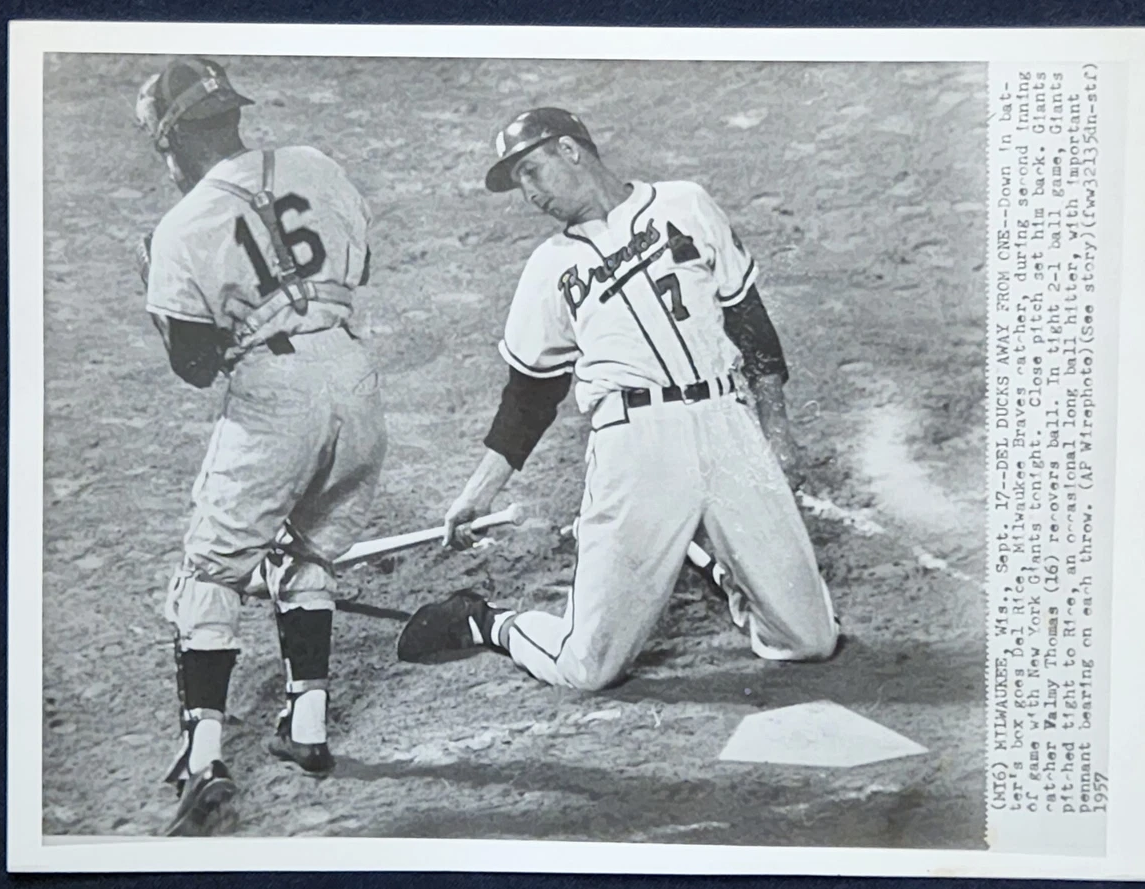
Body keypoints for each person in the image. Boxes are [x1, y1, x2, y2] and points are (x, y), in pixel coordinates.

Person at [398, 107, 838, 690]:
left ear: (571, 151)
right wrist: (479, 492)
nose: (528, 193)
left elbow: (749, 322)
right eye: (518, 183)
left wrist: (778, 433)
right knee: (588, 667)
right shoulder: (549, 268)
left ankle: (714, 563)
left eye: (531, 171)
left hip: (727, 426)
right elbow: (529, 397)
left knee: (810, 640)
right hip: (636, 449)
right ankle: (487, 622)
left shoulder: (686, 204)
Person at [134, 57, 388, 835]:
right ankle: (306, 726)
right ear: (234, 118)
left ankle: (203, 753)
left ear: (172, 143)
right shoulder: (316, 164)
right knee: (308, 552)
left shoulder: (178, 229)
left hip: (275, 396)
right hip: (356, 380)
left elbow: (196, 365)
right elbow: (363, 266)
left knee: (211, 566)